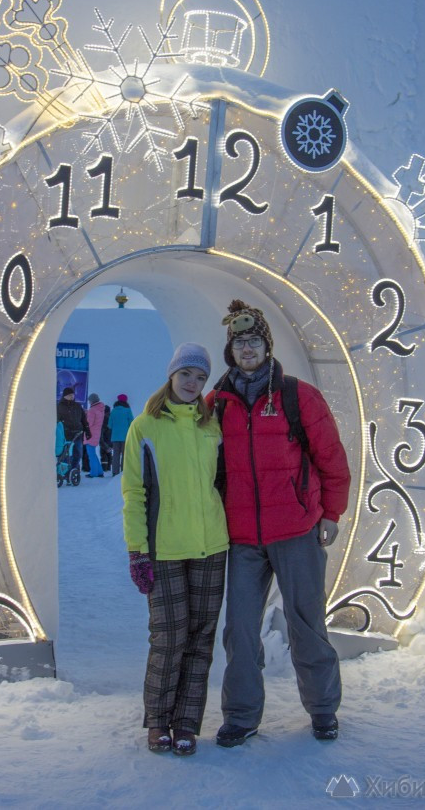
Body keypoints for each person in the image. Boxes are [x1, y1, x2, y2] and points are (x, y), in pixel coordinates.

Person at [207, 299, 351, 747]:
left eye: (253, 341)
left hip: (296, 529)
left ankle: (323, 709)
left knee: (306, 623)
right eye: (239, 343)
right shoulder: (216, 403)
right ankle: (242, 715)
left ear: (266, 347)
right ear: (230, 351)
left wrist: (331, 512)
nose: (246, 349)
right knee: (241, 630)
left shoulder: (297, 396)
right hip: (242, 537)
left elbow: (331, 457)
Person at [121, 343, 229, 756]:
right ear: (171, 375)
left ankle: (186, 723)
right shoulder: (145, 427)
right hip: (164, 550)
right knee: (168, 638)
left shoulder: (211, 427)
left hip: (211, 547)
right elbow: (133, 492)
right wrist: (137, 551)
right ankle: (158, 721)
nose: (193, 383)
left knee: (201, 639)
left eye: (201, 378)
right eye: (187, 374)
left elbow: (222, 484)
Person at [56, 386, 90, 474]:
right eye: (70, 395)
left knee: (78, 453)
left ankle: (74, 470)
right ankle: (65, 471)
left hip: (78, 433)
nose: (72, 396)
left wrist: (87, 430)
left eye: (73, 395)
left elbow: (83, 419)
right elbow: (56, 421)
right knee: (66, 454)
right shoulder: (59, 407)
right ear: (65, 396)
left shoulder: (78, 406)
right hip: (66, 434)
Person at [109, 394, 134, 476]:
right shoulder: (127, 410)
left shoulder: (113, 411)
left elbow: (109, 425)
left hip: (115, 437)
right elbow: (132, 423)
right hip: (125, 436)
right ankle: (123, 471)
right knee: (125, 454)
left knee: (115, 455)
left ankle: (115, 472)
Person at [84, 393, 105, 478]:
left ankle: (94, 473)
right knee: (93, 454)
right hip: (96, 434)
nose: (88, 402)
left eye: (89, 400)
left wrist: (86, 415)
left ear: (92, 401)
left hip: (90, 434)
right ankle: (100, 472)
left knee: (91, 455)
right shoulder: (100, 409)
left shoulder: (92, 410)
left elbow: (89, 423)